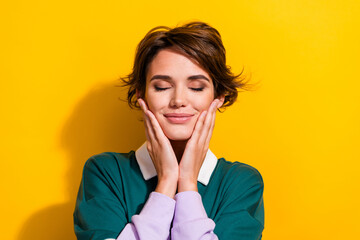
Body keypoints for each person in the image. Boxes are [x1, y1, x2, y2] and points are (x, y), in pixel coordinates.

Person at [73, 21, 264, 240]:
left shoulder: (241, 183)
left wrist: (188, 185)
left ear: (218, 97)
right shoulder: (106, 173)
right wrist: (167, 181)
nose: (178, 100)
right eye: (162, 87)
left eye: (196, 87)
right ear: (141, 95)